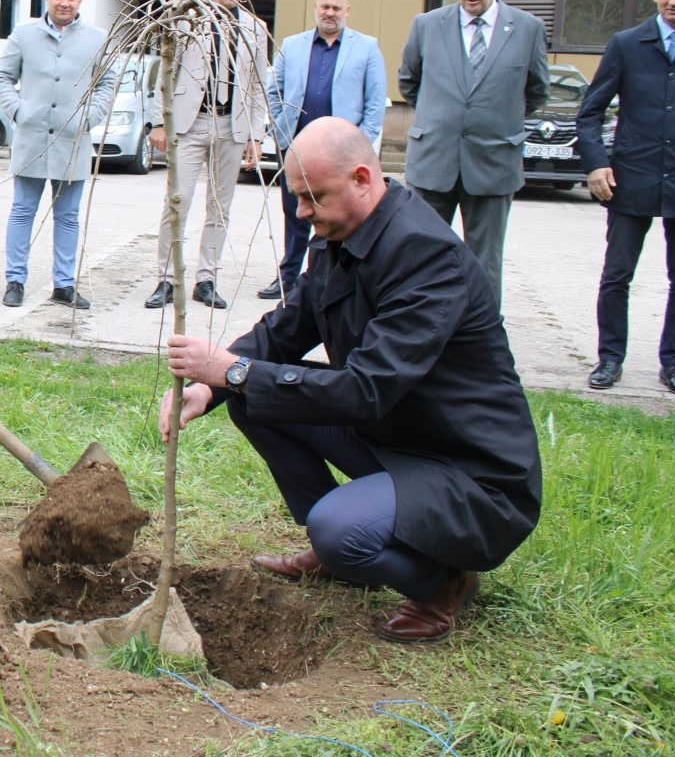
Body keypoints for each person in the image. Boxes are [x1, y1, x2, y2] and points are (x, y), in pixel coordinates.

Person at [159, 117, 542, 643]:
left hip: (467, 470)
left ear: (363, 178)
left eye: (313, 197)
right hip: (397, 436)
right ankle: (343, 550)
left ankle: (440, 582)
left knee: (339, 527)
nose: (302, 213)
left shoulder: (426, 257)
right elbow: (286, 330)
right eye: (297, 197)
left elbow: (367, 389)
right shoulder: (340, 236)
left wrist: (235, 370)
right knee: (253, 398)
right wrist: (214, 384)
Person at [397, 0, 550, 306]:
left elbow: (537, 89)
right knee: (421, 258)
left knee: (485, 263)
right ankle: (420, 334)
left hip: (493, 161)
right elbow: (410, 81)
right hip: (434, 159)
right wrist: (442, 117)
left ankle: (481, 346)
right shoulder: (426, 25)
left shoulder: (527, 29)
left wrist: (495, 117)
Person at [577, 0, 675, 397]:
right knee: (617, 274)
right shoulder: (626, 44)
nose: (673, 0)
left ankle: (674, 363)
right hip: (631, 177)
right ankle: (610, 358)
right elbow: (589, 113)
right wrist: (595, 163)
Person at [145, 0, 271, 311]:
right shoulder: (187, 21)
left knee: (220, 207)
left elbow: (259, 85)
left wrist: (256, 135)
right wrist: (158, 122)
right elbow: (165, 74)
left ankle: (207, 278)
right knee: (177, 202)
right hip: (190, 122)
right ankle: (167, 279)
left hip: (232, 125)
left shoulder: (256, 29)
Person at [0, 0, 114, 309]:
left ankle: (64, 284)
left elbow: (107, 83)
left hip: (73, 141)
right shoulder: (23, 34)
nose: (64, 3)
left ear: (80, 0)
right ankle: (14, 280)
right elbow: (2, 76)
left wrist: (90, 117)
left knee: (68, 216)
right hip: (31, 138)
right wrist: (18, 110)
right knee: (22, 210)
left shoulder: (96, 38)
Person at [260, 0, 387, 299]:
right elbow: (273, 91)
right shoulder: (292, 45)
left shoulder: (367, 48)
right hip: (297, 149)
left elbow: (374, 104)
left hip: (342, 155)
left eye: (337, 8)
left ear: (348, 11)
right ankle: (288, 276)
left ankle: (338, 278)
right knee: (296, 212)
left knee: (340, 215)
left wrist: (360, 145)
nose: (330, 13)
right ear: (316, 7)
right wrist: (282, 133)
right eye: (325, 6)